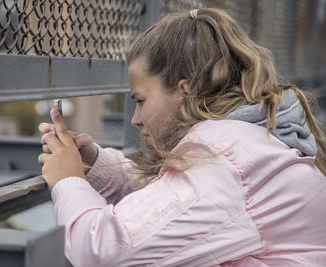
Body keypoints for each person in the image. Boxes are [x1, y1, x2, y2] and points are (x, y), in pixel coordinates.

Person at [38, 8, 326, 267]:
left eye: (140, 100)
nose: (135, 118)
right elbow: (175, 203)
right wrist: (97, 165)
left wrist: (68, 181)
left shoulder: (223, 159)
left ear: (184, 91)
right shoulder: (246, 140)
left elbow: (100, 251)